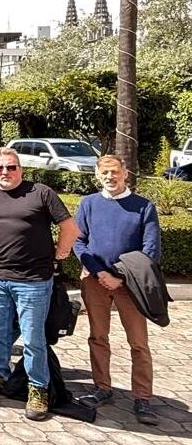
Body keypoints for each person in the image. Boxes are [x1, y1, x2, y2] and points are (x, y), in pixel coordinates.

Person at [0, 147, 79, 422]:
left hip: (33, 282)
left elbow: (70, 228)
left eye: (11, 167)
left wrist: (59, 254)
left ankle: (38, 389)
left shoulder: (41, 193)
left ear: (21, 169)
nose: (5, 172)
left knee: (32, 339)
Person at [73, 155, 161, 425]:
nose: (110, 177)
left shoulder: (143, 207)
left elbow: (151, 250)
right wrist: (99, 272)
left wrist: (120, 277)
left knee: (138, 343)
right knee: (98, 337)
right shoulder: (88, 204)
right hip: (95, 281)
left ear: (125, 173)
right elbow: (78, 241)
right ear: (97, 175)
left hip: (130, 285)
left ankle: (142, 397)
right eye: (104, 173)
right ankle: (102, 388)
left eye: (114, 172)